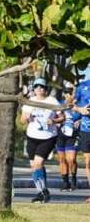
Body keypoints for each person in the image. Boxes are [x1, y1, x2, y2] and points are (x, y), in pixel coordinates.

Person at [23, 77, 62, 203]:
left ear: (46, 89)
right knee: (34, 166)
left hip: (48, 137)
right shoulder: (30, 101)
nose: (39, 89)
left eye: (42, 87)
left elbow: (62, 117)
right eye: (37, 87)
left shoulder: (52, 101)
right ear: (34, 89)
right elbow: (22, 120)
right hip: (32, 136)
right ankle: (41, 192)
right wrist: (27, 118)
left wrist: (54, 121)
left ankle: (43, 192)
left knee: (38, 164)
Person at [73, 70, 90, 203]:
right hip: (86, 130)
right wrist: (81, 110)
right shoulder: (83, 86)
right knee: (88, 162)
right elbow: (72, 106)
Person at [58, 83, 79, 192]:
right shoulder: (60, 104)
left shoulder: (79, 105)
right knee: (62, 159)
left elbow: (84, 115)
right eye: (66, 92)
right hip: (61, 134)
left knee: (71, 159)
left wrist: (79, 121)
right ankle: (65, 182)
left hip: (73, 134)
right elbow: (55, 115)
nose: (68, 95)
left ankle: (74, 178)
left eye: (70, 92)